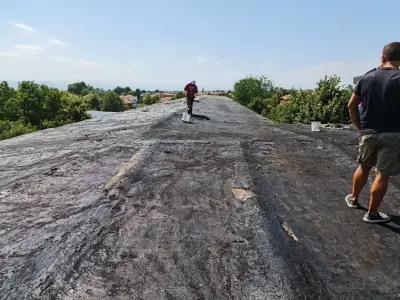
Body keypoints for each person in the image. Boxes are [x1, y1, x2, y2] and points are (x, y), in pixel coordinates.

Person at [346, 42, 400, 223]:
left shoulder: (367, 77)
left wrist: (360, 127)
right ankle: (372, 213)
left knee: (364, 166)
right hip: (393, 134)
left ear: (383, 57)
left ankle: (353, 199)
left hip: (368, 132)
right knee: (382, 174)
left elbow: (351, 105)